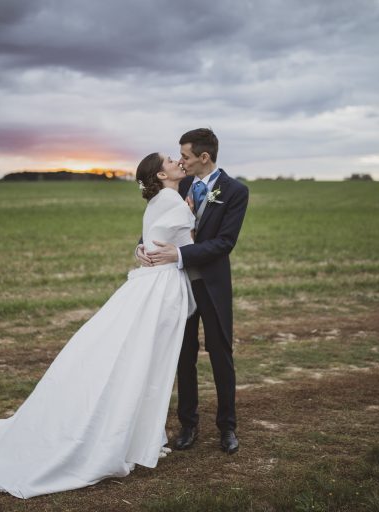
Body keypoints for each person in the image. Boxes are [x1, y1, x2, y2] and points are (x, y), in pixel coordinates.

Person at [0, 153, 196, 499]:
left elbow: (157, 240)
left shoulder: (158, 199)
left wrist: (145, 248)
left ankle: (133, 435)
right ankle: (130, 437)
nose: (176, 161)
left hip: (152, 283)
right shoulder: (172, 199)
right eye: (171, 159)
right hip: (160, 288)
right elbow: (188, 237)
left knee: (133, 359)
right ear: (160, 173)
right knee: (145, 363)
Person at [137, 128, 248, 455]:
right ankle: (188, 425)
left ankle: (227, 427)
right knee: (183, 357)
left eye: (184, 156)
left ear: (204, 157)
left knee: (220, 355)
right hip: (177, 286)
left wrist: (181, 254)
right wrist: (139, 249)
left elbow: (225, 243)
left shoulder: (235, 191)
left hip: (211, 286)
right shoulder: (177, 185)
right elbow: (152, 228)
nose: (180, 161)